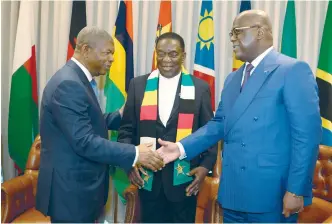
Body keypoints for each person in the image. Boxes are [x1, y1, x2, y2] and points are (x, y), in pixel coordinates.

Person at [157, 10, 322, 223]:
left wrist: (297, 190)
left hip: (271, 195)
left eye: (237, 32)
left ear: (261, 32)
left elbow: (306, 137)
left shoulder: (292, 70)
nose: (232, 39)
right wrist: (180, 148)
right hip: (234, 193)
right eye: (231, 34)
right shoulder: (233, 78)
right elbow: (219, 124)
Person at [35, 26, 164, 223]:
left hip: (79, 190)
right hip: (70, 193)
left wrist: (124, 112)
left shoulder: (78, 79)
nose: (112, 58)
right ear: (86, 50)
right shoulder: (68, 84)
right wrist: (136, 153)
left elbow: (91, 122)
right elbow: (84, 141)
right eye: (107, 53)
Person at [118, 32, 217, 223]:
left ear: (183, 55)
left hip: (185, 181)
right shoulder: (138, 85)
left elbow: (209, 134)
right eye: (161, 53)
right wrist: (128, 163)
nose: (166, 59)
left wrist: (205, 167)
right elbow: (126, 131)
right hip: (148, 181)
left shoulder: (200, 88)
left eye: (173, 54)